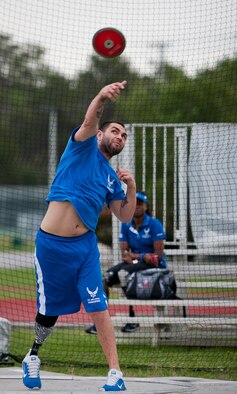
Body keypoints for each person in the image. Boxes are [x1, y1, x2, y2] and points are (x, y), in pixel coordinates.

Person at [22, 81, 136, 392]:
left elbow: (124, 215)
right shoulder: (82, 146)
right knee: (50, 310)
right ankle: (33, 355)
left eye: (124, 136)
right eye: (115, 131)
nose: (120, 137)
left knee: (98, 305)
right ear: (101, 134)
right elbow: (90, 120)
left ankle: (115, 372)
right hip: (51, 245)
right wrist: (101, 96)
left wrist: (131, 186)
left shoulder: (112, 178)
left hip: (85, 248)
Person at [85, 191, 166, 335]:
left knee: (125, 274)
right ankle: (100, 322)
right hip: (134, 263)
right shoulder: (126, 224)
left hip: (155, 266)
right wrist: (142, 257)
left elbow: (157, 257)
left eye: (140, 204)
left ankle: (132, 319)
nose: (137, 207)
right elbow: (125, 254)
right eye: (135, 203)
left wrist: (137, 257)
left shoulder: (154, 224)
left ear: (146, 206)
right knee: (105, 277)